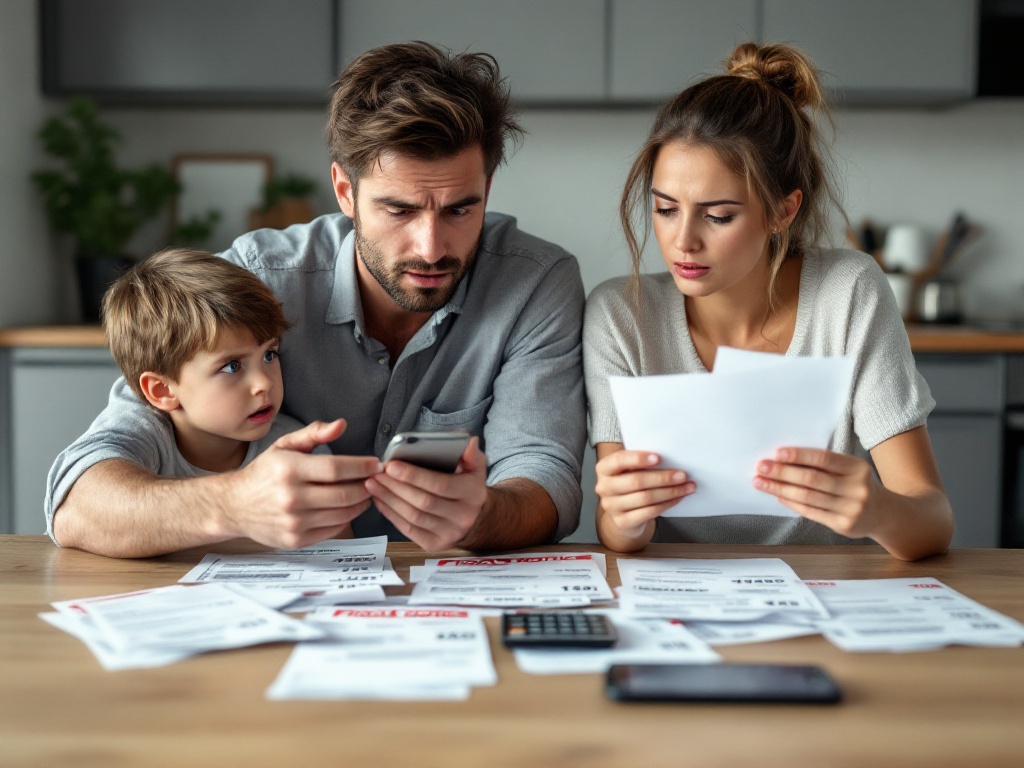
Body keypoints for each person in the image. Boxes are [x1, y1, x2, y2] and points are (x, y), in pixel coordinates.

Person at [46, 42, 586, 558]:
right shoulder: (255, 281)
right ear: (345, 192)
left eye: (459, 210)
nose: (431, 248)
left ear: (487, 190)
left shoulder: (535, 284)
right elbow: (79, 504)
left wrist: (484, 515)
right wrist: (235, 504)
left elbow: (546, 479)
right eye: (399, 211)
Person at [584, 42, 953, 561]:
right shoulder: (621, 315)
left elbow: (933, 519)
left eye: (718, 216)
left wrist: (876, 510)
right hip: (677, 606)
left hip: (825, 600)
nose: (682, 241)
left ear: (783, 210)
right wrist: (625, 517)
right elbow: (616, 531)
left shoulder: (848, 291)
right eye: (666, 209)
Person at [50, 246, 334, 487]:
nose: (265, 383)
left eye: (269, 355)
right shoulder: (141, 453)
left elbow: (342, 545)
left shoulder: (302, 450)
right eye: (232, 366)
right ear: (162, 390)